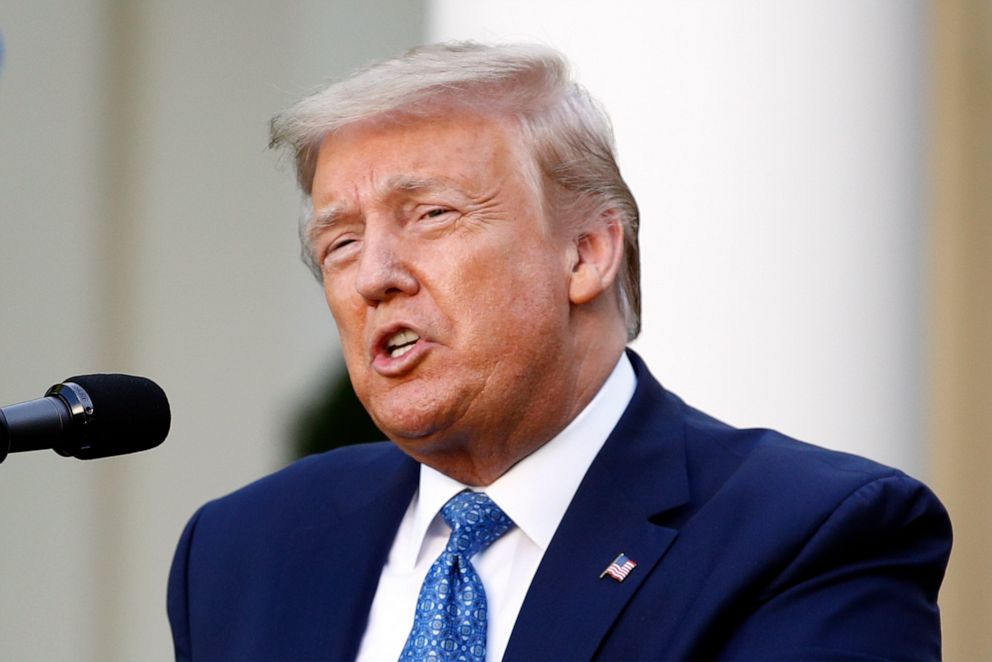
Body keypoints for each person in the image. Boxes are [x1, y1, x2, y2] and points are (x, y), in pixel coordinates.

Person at [167, 42, 951, 661]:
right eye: (339, 243)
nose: (373, 276)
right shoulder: (244, 551)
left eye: (431, 215)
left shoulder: (807, 537)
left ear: (585, 254)